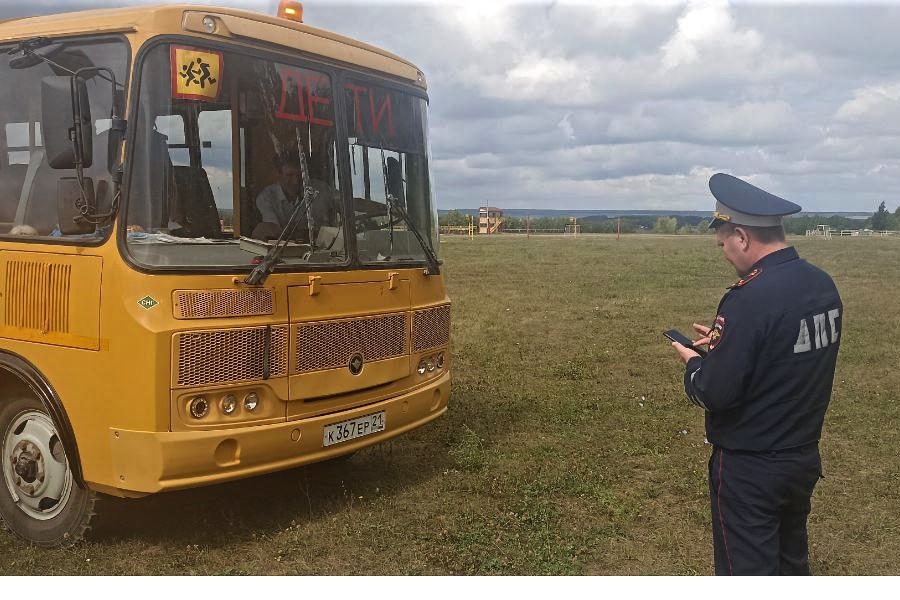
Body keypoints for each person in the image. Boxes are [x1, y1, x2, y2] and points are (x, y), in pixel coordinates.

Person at [670, 173, 843, 576]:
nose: (724, 252)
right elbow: (787, 355)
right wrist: (729, 348)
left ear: (743, 237)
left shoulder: (750, 298)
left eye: (724, 243)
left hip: (751, 469)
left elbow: (715, 392)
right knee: (790, 564)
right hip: (800, 456)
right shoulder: (821, 284)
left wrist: (696, 364)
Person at [253, 153, 335, 242]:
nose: (296, 181)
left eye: (300, 175)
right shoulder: (266, 197)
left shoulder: (322, 190)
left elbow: (346, 206)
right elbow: (274, 231)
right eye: (289, 175)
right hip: (283, 251)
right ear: (278, 175)